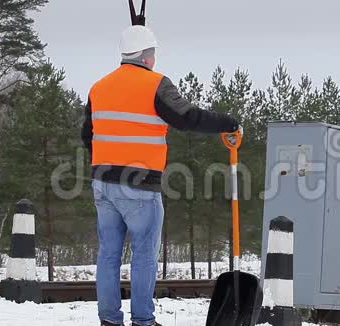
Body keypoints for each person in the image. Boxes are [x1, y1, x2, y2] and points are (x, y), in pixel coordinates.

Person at [81, 25, 239, 326]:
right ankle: (143, 320)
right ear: (148, 55)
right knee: (143, 256)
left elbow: (86, 134)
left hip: (102, 184)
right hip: (140, 186)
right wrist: (228, 122)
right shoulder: (156, 85)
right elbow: (188, 117)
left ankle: (109, 320)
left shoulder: (98, 87)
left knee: (109, 255)